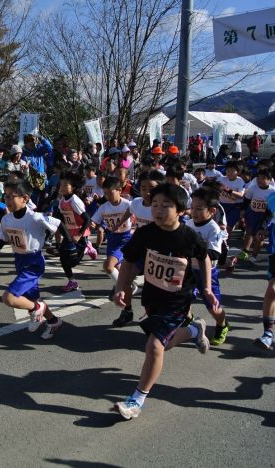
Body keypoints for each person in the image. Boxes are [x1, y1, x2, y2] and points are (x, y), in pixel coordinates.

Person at [112, 184, 216, 420]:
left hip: (178, 300)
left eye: (165, 206)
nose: (158, 210)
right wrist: (120, 287)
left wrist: (207, 288)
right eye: (155, 205)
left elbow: (204, 258)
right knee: (164, 344)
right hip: (152, 298)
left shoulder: (189, 236)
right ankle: (194, 330)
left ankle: (136, 400)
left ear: (180, 210)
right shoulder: (146, 233)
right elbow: (128, 260)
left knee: (154, 346)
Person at [0, 179, 64, 339]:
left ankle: (36, 309)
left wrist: (69, 244)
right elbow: (2, 238)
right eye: (6, 196)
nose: (8, 200)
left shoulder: (35, 217)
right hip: (19, 261)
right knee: (32, 297)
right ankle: (53, 321)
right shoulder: (6, 219)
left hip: (34, 262)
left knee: (8, 298)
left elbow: (58, 223)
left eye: (12, 196)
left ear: (25, 198)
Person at [90, 176, 137, 326]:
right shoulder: (104, 207)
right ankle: (127, 289)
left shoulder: (128, 204)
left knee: (108, 266)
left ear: (119, 190)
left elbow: (137, 220)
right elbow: (94, 220)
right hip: (112, 240)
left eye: (110, 193)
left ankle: (124, 286)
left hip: (125, 239)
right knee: (118, 269)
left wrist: (134, 230)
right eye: (105, 193)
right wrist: (91, 225)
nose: (107, 196)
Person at [186, 187, 230, 345]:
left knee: (213, 306)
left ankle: (222, 325)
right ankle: (190, 324)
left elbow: (214, 253)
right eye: (192, 207)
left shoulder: (213, 228)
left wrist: (192, 252)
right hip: (188, 270)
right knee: (183, 299)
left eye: (199, 209)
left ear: (212, 211)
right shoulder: (188, 224)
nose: (194, 212)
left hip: (206, 272)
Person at [54, 171, 95, 292]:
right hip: (69, 234)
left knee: (73, 261)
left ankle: (87, 248)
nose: (62, 187)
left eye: (65, 185)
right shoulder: (62, 201)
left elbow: (87, 219)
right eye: (61, 185)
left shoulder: (74, 201)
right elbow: (61, 218)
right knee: (63, 257)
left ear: (73, 187)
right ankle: (72, 281)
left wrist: (79, 234)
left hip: (80, 234)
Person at [235, 169, 275, 263]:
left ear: (270, 180)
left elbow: (270, 211)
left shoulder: (272, 191)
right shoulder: (253, 188)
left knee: (260, 235)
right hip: (253, 213)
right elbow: (247, 200)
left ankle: (254, 255)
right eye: (258, 178)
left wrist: (265, 223)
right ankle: (245, 251)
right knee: (249, 232)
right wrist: (243, 210)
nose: (260, 180)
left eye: (263, 178)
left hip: (266, 215)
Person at [254, 192, 275, 350]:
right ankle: (268, 333)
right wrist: (262, 228)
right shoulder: (273, 197)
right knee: (272, 290)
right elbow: (268, 215)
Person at [218, 161, 246, 237]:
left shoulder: (240, 181)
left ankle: (225, 240)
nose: (229, 173)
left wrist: (229, 191)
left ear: (237, 172)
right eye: (228, 171)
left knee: (229, 226)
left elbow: (241, 195)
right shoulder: (221, 179)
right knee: (221, 225)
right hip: (222, 205)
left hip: (235, 206)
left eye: (232, 171)